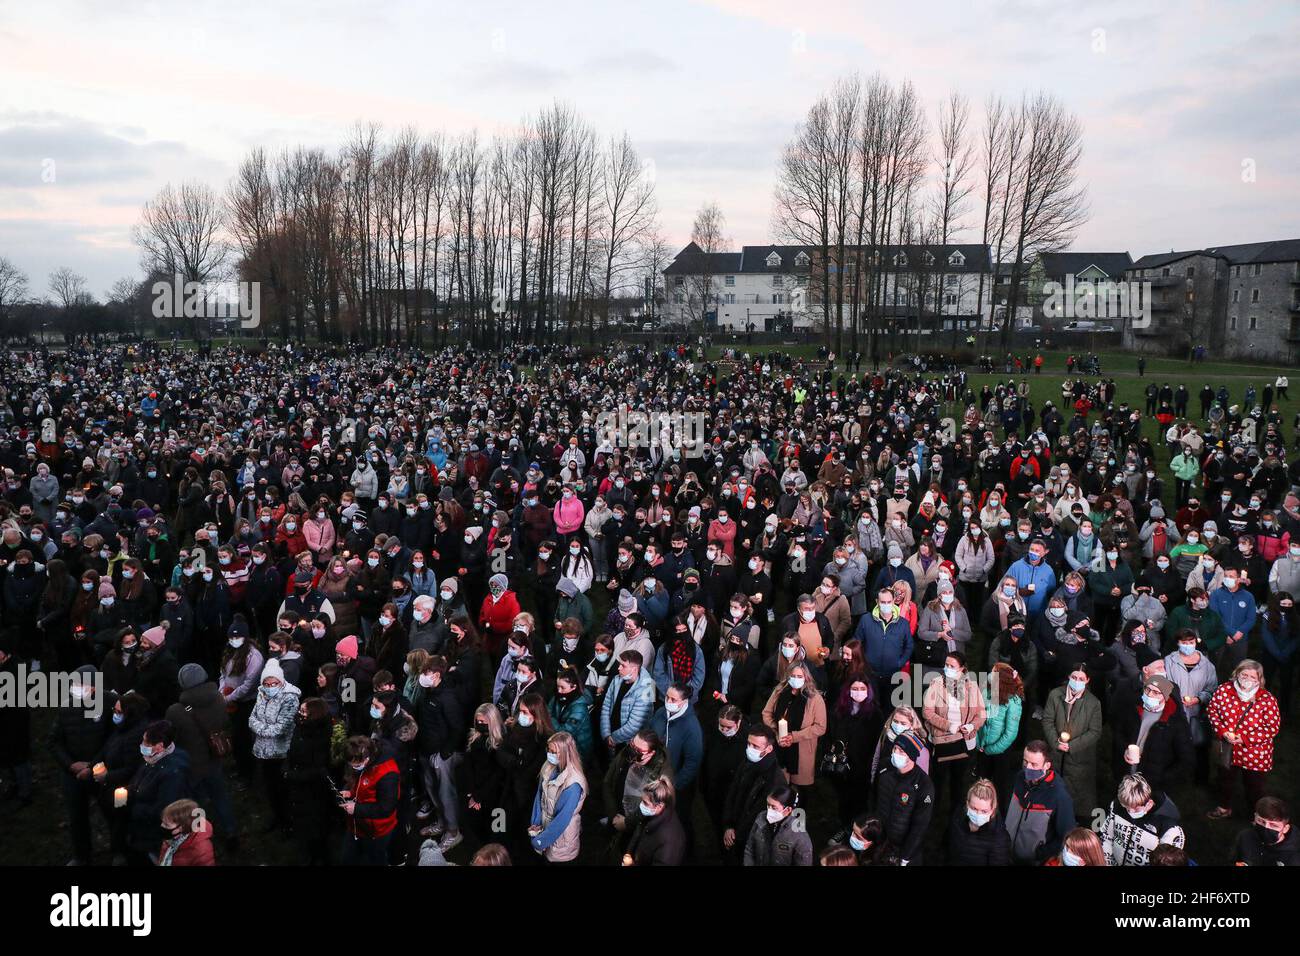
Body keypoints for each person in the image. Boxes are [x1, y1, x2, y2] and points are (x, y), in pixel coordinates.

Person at [1206, 659, 1281, 820]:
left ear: (1259, 679)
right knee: (1225, 779)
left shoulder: (1267, 699)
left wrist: (1245, 739)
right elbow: (1212, 711)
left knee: (1255, 787)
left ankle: (1258, 816)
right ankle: (1224, 807)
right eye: (1244, 674)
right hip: (1227, 748)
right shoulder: (1223, 690)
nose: (1247, 679)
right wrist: (1222, 731)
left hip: (1255, 753)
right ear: (1237, 674)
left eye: (1253, 677)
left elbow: (1272, 728)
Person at [921, 651, 985, 811]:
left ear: (962, 669)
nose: (947, 668)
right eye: (946, 665)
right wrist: (949, 726)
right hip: (941, 740)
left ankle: (956, 812)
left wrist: (970, 726)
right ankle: (933, 811)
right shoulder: (936, 683)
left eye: (952, 666)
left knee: (959, 780)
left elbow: (981, 714)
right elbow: (927, 712)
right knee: (937, 779)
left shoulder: (972, 686)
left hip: (964, 741)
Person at [1041, 667, 1103, 821]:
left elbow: (1094, 731)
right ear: (1069, 676)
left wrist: (1072, 746)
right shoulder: (1055, 695)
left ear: (1087, 680)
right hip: (1055, 752)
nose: (1077, 681)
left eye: (1081, 679)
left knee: (1076, 794)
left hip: (1079, 757)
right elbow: (1048, 720)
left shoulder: (1093, 703)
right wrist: (1055, 741)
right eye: (1074, 677)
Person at [129, 721, 194, 866]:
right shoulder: (153, 759)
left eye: (146, 742)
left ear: (159, 746)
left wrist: (134, 809)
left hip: (158, 836)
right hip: (146, 829)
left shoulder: (173, 772)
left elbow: (165, 808)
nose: (142, 744)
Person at [720, 723, 785, 865]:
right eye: (749, 744)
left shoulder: (775, 780)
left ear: (769, 748)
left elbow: (760, 814)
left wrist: (738, 835)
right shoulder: (748, 761)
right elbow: (733, 791)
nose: (750, 749)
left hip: (749, 839)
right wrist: (728, 825)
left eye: (756, 746)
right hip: (734, 829)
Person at [248, 657, 300, 834]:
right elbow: (251, 719)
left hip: (281, 752)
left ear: (281, 681)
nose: (270, 687)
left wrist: (261, 728)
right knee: (270, 788)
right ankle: (277, 816)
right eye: (267, 683)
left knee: (283, 790)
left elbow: (281, 728)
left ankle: (288, 822)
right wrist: (264, 727)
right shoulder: (261, 693)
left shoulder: (290, 698)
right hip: (263, 751)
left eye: (274, 683)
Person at [1005, 740, 1075, 865]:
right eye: (1025, 761)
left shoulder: (1059, 795)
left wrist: (1040, 854)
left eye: (1034, 764)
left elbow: (1066, 835)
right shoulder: (1019, 777)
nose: (1028, 768)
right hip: (1006, 853)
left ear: (1047, 765)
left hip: (1034, 861)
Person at [760, 660, 827, 787]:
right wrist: (777, 731)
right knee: (780, 786)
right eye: (793, 676)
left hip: (801, 750)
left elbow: (820, 727)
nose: (796, 679)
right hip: (779, 746)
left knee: (800, 790)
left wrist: (794, 737)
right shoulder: (779, 692)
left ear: (806, 678)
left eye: (799, 676)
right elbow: (766, 713)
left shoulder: (815, 698)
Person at [873, 730, 933, 866]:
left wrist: (905, 857)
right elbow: (873, 797)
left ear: (911, 755)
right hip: (880, 839)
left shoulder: (924, 785)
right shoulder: (884, 767)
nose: (896, 753)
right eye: (895, 748)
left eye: (901, 751)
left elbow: (920, 825)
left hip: (903, 847)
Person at [339, 735, 401, 866]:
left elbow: (386, 808)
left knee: (375, 860)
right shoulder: (359, 759)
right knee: (347, 859)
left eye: (355, 764)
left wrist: (356, 809)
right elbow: (358, 781)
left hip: (376, 830)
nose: (352, 767)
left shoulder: (388, 773)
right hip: (356, 825)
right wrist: (349, 791)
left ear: (366, 759)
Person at [1100, 773, 1186, 866]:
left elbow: (1168, 862)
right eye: (1126, 807)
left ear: (1149, 803)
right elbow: (1107, 837)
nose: (1130, 812)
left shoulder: (1169, 826)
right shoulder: (1116, 805)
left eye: (1136, 808)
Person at [528, 732, 587, 864]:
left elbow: (562, 819)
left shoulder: (574, 783)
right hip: (543, 829)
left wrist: (540, 841)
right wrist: (535, 823)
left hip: (561, 840)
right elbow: (539, 797)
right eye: (549, 750)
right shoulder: (548, 767)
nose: (550, 754)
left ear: (565, 753)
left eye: (553, 751)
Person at [743, 782, 813, 866]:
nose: (769, 810)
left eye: (773, 807)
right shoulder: (761, 818)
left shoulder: (799, 835)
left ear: (787, 810)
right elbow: (750, 848)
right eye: (768, 805)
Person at [944, 777, 1010, 866]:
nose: (978, 814)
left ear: (992, 810)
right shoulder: (958, 818)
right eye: (974, 808)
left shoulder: (999, 837)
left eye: (984, 811)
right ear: (967, 804)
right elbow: (947, 847)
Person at [623, 776, 687, 866]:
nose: (641, 805)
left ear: (659, 806)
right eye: (642, 800)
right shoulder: (651, 814)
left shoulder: (670, 845)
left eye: (645, 803)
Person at [1232, 796, 1300, 866]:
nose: (1265, 827)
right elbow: (1235, 860)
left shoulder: (1295, 857)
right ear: (1255, 816)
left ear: (1285, 828)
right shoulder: (1244, 836)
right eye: (1261, 821)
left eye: (1273, 825)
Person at [157, 798, 216, 867]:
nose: (162, 826)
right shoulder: (170, 840)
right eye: (163, 822)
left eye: (166, 825)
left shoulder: (202, 850)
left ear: (181, 827)